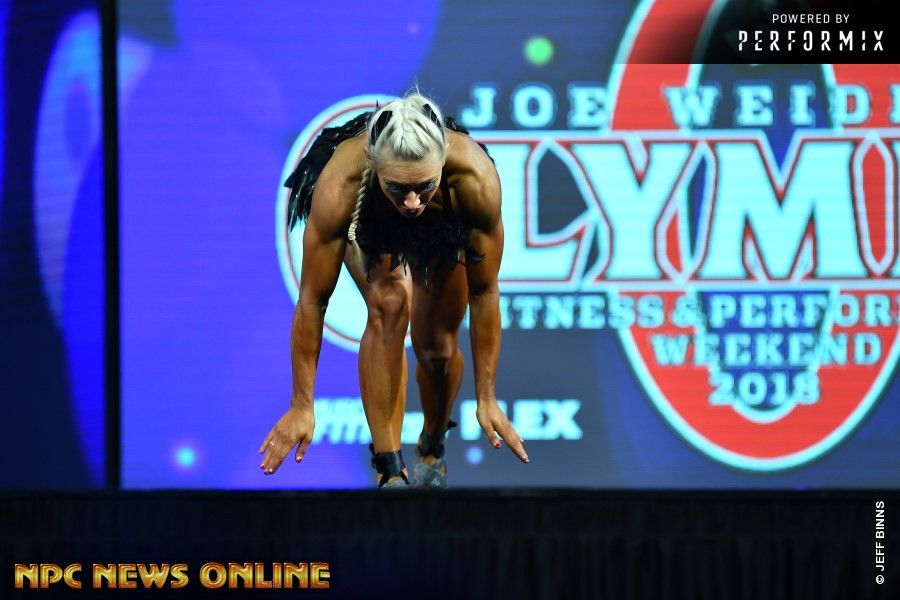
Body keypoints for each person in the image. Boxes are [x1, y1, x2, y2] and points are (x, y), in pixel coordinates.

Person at [258, 91, 528, 488]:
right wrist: (301, 404)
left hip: (443, 224)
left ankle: (432, 445)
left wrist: (487, 397)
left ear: (443, 160)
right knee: (390, 302)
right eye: (399, 188)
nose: (413, 202)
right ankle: (389, 469)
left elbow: (484, 292)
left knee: (437, 350)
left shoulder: (474, 179)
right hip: (370, 220)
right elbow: (313, 301)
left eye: (424, 186)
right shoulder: (340, 185)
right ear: (372, 162)